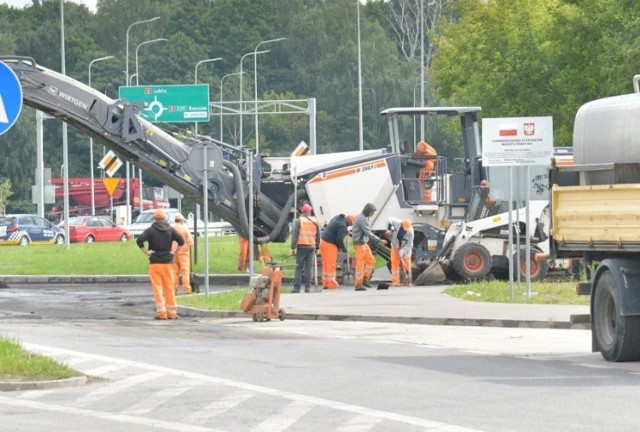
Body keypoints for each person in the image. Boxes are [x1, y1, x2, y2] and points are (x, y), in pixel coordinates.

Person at [136, 209, 185, 320]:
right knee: (169, 288)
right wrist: (174, 253)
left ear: (154, 218)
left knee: (157, 288)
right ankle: (172, 313)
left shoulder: (150, 231)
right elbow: (181, 241)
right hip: (168, 263)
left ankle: (161, 313)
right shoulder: (171, 230)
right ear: (165, 218)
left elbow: (139, 240)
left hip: (155, 264)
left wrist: (146, 253)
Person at [351, 203, 385, 291]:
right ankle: (358, 284)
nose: (373, 214)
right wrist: (379, 240)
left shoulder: (362, 216)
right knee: (360, 264)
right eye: (372, 212)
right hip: (359, 244)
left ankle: (364, 280)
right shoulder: (362, 219)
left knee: (371, 261)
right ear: (368, 211)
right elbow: (368, 233)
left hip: (363, 243)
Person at [319, 213, 355, 289]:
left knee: (325, 264)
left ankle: (326, 283)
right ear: (348, 220)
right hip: (330, 245)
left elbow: (335, 229)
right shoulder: (343, 226)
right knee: (331, 265)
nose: (350, 225)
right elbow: (339, 240)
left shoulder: (337, 218)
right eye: (351, 223)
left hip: (323, 242)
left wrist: (344, 232)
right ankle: (331, 283)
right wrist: (345, 250)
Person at [290, 203, 321, 293]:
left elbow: (295, 235)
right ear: (310, 211)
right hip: (312, 247)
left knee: (299, 268)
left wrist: (293, 247)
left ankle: (297, 288)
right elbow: (318, 236)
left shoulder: (299, 220)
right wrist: (317, 247)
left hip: (302, 246)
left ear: (302, 211)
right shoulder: (315, 221)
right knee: (309, 267)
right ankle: (308, 287)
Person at [387, 217, 414, 286]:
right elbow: (389, 220)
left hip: (405, 248)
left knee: (407, 263)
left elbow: (409, 245)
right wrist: (389, 230)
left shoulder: (411, 232)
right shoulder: (396, 222)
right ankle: (396, 282)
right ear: (402, 224)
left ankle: (408, 281)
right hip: (395, 245)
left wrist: (402, 251)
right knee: (394, 263)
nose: (406, 230)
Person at [171, 213, 194, 295]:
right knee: (185, 272)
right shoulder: (185, 229)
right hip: (183, 254)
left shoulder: (171, 229)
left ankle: (174, 290)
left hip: (173, 254)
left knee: (174, 272)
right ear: (181, 220)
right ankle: (187, 289)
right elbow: (190, 243)